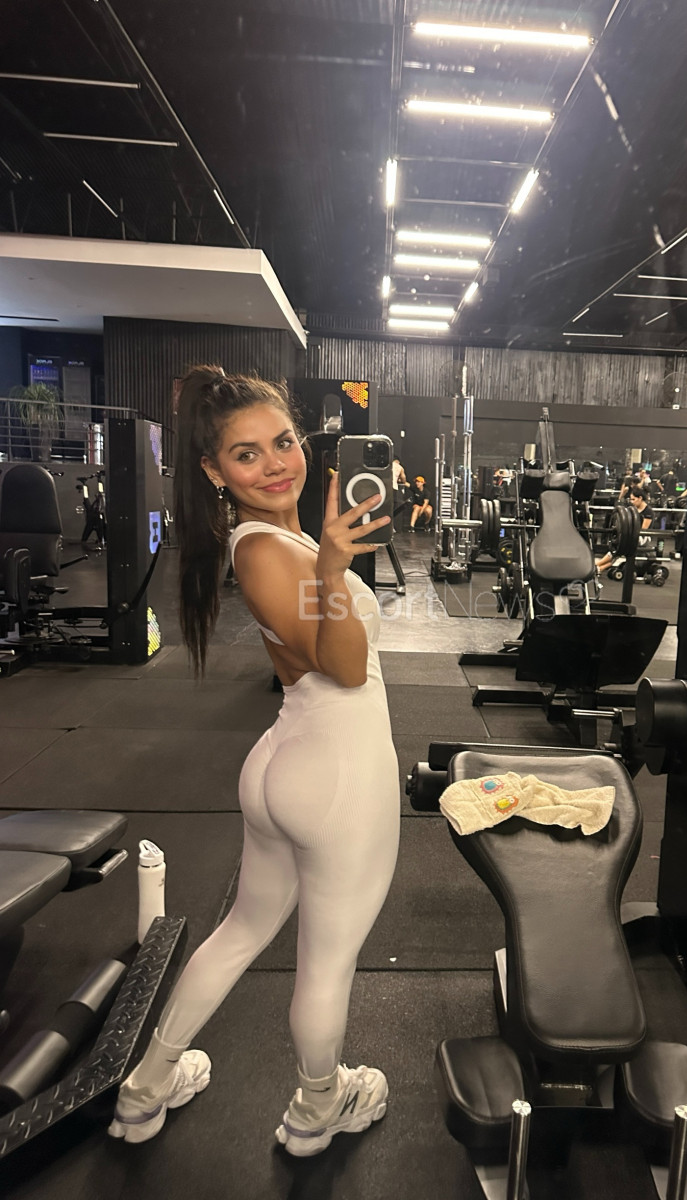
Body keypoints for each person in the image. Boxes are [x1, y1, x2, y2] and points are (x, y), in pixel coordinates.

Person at [108, 366, 400, 1155]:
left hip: (287, 760)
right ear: (214, 472)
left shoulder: (280, 540)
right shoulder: (266, 552)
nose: (274, 464)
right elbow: (345, 668)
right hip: (337, 775)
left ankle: (146, 1088)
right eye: (246, 455)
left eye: (283, 441)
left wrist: (329, 557)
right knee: (326, 962)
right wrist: (333, 571)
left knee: (241, 930)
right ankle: (318, 1107)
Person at [595, 486, 654, 574]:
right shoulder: (633, 509)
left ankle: (598, 565)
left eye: (633, 499)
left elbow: (643, 529)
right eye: (631, 499)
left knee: (621, 545)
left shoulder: (648, 511)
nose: (631, 502)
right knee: (619, 547)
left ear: (640, 498)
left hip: (643, 537)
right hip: (632, 535)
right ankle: (599, 567)